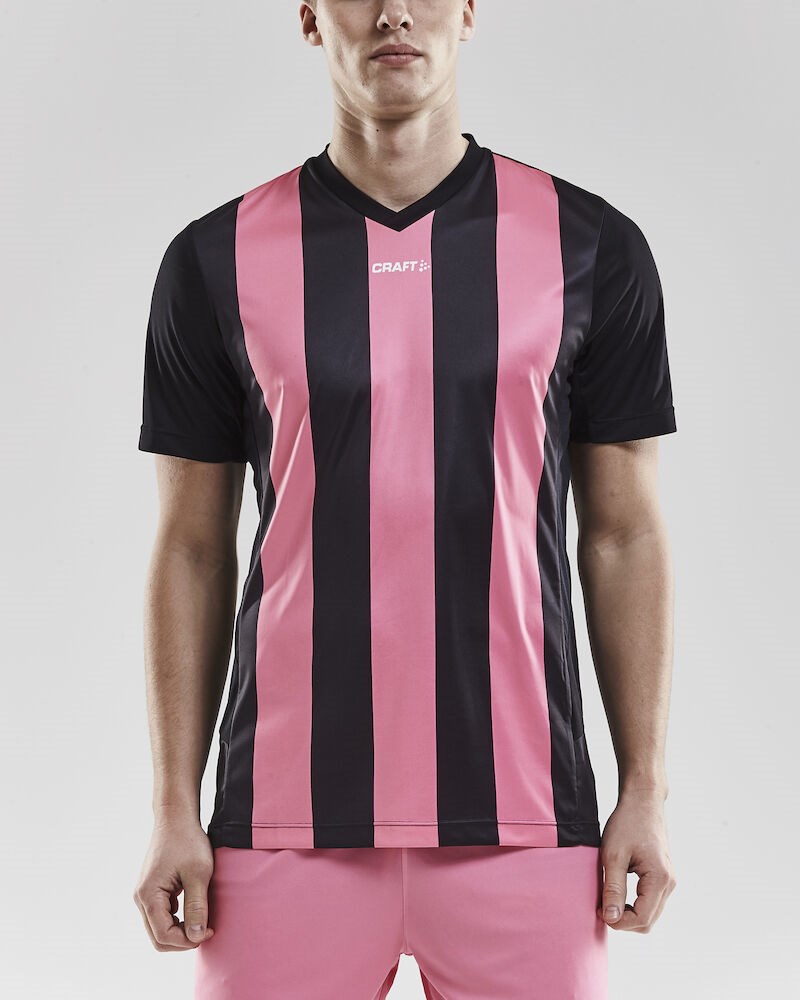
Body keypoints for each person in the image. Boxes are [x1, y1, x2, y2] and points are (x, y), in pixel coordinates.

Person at [132, 2, 678, 997]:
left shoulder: (589, 246)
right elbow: (192, 549)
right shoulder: (213, 260)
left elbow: (622, 535)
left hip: (527, 822)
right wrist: (174, 803)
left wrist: (643, 787)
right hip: (279, 827)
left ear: (468, 12)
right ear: (310, 17)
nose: (393, 11)